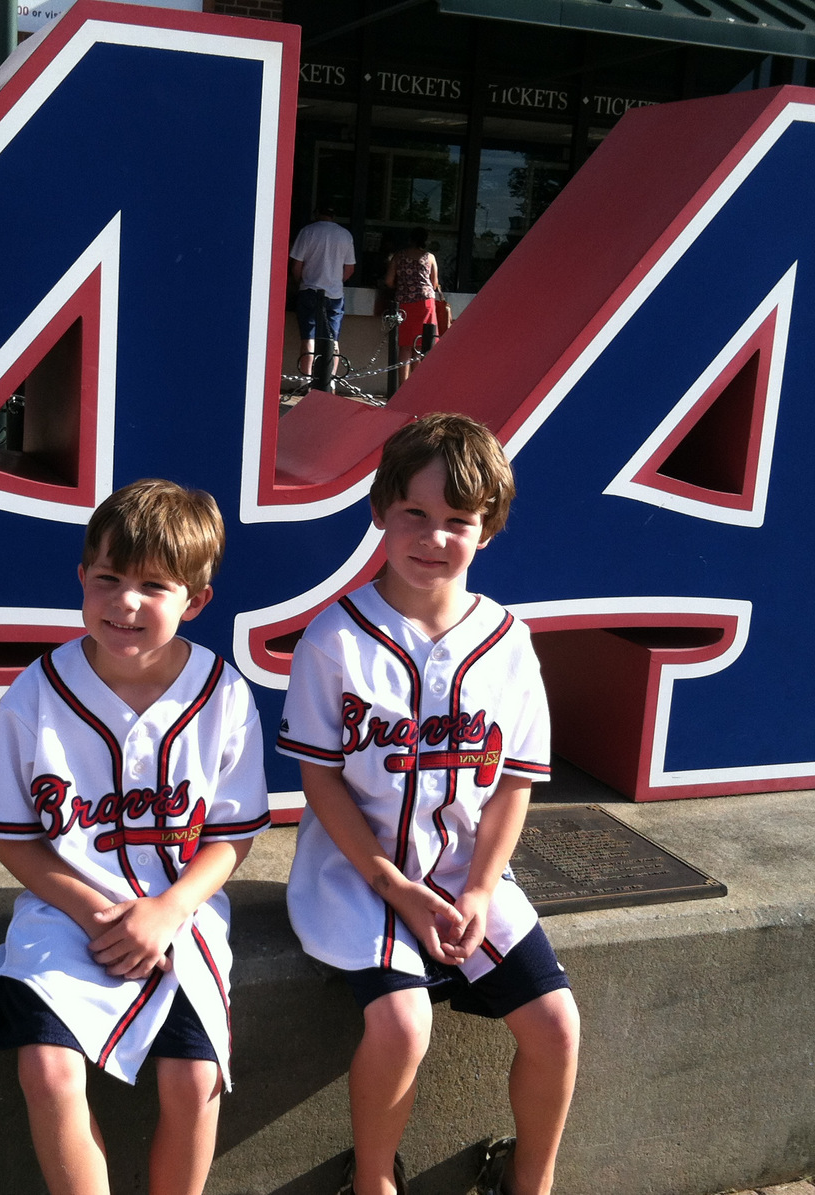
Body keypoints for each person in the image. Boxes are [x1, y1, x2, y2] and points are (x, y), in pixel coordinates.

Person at [277, 413, 580, 1195]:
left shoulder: (508, 640)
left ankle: (530, 1179)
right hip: (360, 875)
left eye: (458, 520)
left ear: (489, 529)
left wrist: (479, 887)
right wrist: (394, 886)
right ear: (380, 508)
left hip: (465, 870)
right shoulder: (335, 638)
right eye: (414, 511)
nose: (433, 536)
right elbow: (321, 780)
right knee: (402, 1023)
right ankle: (374, 1179)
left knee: (556, 1024)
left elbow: (515, 781)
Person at [0, 478, 270, 1195]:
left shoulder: (223, 692)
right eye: (108, 578)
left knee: (195, 1077)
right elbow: (11, 836)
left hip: (182, 907)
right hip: (66, 906)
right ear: (82, 577)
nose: (125, 602)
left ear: (195, 600)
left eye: (154, 585)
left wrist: (169, 909)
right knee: (47, 1068)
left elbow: (231, 836)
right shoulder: (37, 691)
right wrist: (89, 910)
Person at [290, 207, 357, 385]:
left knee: (309, 337)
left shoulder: (307, 232)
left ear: (316, 213)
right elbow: (350, 268)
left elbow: (296, 265)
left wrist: (299, 282)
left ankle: (306, 380)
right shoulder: (345, 235)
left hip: (309, 289)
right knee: (332, 338)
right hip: (334, 294)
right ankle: (330, 380)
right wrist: (336, 281)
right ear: (334, 215)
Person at [381, 228, 439, 383]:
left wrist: (403, 286)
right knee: (420, 345)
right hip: (425, 303)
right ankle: (415, 385)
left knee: (405, 345)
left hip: (404, 302)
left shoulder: (398, 256)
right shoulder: (429, 257)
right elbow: (434, 284)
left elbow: (388, 281)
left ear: (410, 239)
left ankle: (403, 384)